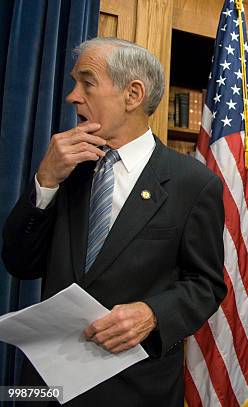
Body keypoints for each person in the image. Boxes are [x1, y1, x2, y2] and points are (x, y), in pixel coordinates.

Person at [2, 37, 226, 406]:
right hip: (46, 388)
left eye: (86, 83)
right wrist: (45, 181)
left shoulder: (193, 183)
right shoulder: (63, 169)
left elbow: (206, 285)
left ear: (133, 94)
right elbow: (20, 263)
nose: (72, 96)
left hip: (137, 388)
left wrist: (153, 314)